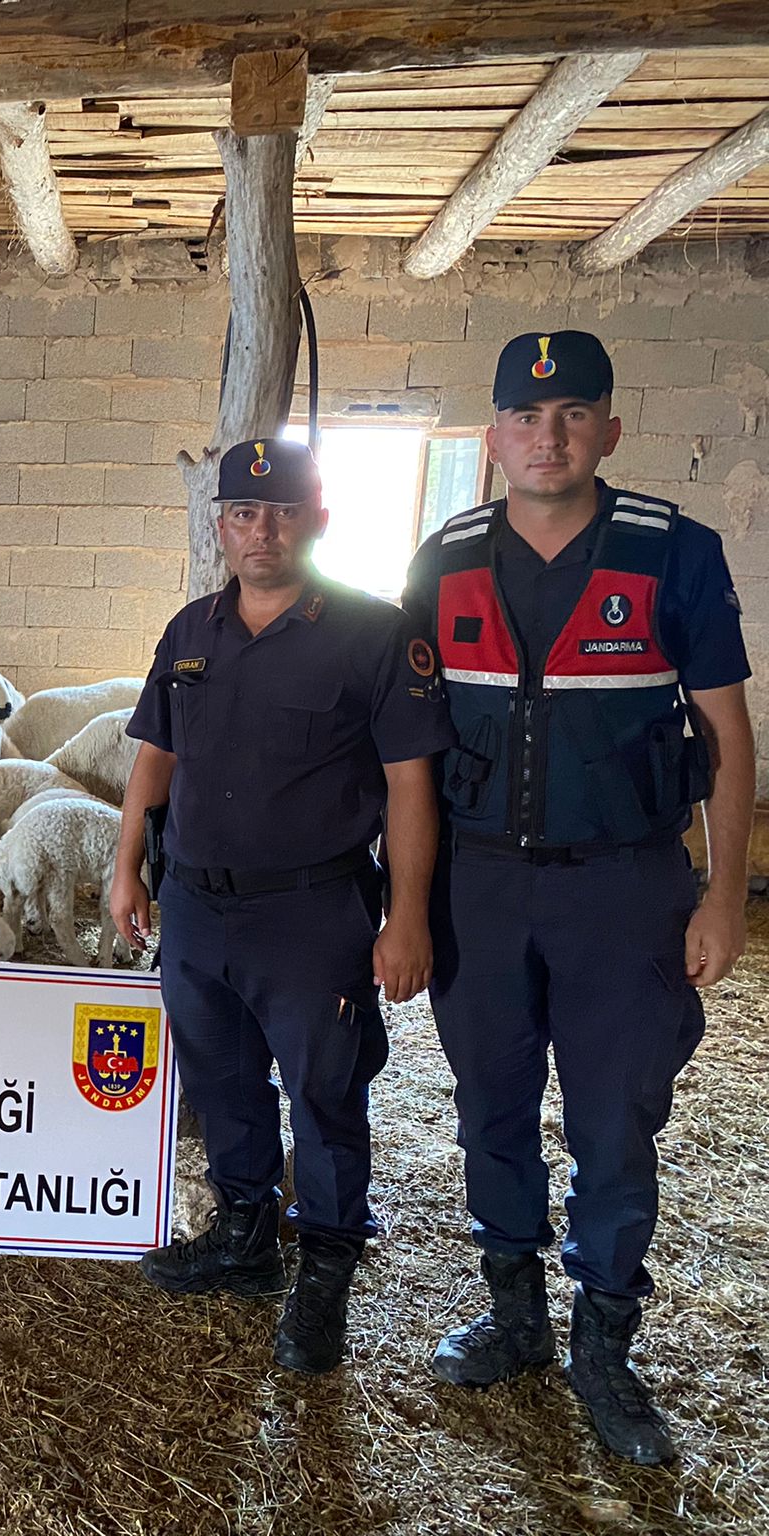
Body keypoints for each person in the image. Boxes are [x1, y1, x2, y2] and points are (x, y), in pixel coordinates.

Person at [402, 332, 752, 1465]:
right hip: (477, 886)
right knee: (488, 1107)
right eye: (522, 416)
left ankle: (603, 1342)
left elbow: (727, 738)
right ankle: (512, 1316)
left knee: (613, 1122)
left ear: (607, 427)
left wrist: (721, 897)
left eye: (569, 414)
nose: (545, 436)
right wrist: (400, 900)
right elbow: (404, 746)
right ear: (493, 436)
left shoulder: (673, 554)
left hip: (624, 888)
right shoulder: (440, 556)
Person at [107, 437, 454, 1374]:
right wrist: (129, 862)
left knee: (325, 1094)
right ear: (219, 522)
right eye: (244, 513)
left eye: (283, 511)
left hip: (311, 914)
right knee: (222, 1081)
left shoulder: (372, 635)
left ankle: (327, 1274)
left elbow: (410, 784)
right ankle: (246, 1237)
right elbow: (156, 756)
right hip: (198, 908)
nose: (262, 529)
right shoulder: (190, 633)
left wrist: (406, 916)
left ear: (319, 520)